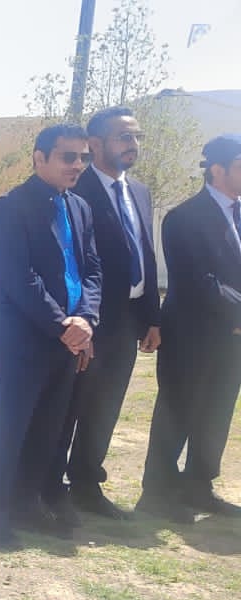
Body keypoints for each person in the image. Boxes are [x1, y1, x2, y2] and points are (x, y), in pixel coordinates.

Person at [0, 124, 103, 546]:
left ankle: (26, 506)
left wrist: (86, 319)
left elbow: (91, 270)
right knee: (10, 428)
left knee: (48, 428)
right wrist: (62, 325)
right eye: (68, 156)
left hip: (68, 339)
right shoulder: (11, 207)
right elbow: (19, 277)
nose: (78, 165)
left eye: (83, 157)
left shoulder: (79, 207)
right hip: (22, 340)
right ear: (39, 157)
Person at [60, 107, 161, 520]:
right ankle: (47, 487)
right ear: (96, 143)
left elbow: (145, 254)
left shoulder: (139, 191)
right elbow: (73, 262)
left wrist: (151, 317)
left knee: (105, 406)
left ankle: (86, 483)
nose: (133, 145)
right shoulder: (75, 189)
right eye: (124, 136)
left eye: (136, 137)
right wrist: (80, 321)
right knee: (69, 405)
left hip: (128, 320)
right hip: (87, 320)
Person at [140, 134, 241, 521]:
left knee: (217, 411)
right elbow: (199, 280)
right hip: (191, 335)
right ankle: (158, 493)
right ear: (217, 169)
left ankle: (199, 486)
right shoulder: (184, 218)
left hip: (232, 340)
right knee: (177, 411)